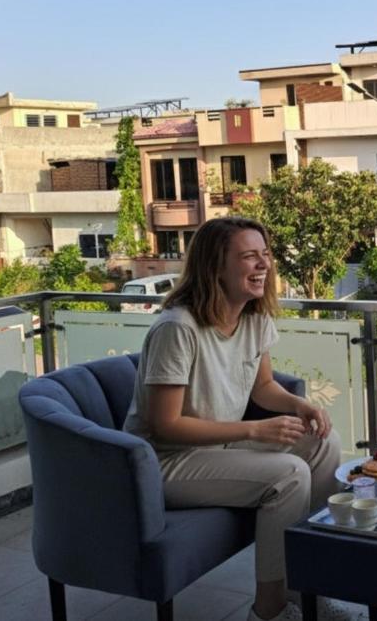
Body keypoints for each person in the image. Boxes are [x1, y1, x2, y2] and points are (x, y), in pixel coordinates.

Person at [123, 217, 342, 621]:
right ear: (215, 267)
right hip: (168, 461)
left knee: (324, 445)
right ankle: (270, 610)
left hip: (218, 447)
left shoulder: (254, 318)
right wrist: (255, 429)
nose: (263, 266)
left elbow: (262, 387)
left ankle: (305, 588)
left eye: (265, 255)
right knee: (288, 475)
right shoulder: (178, 328)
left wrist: (300, 407)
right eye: (249, 257)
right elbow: (164, 425)